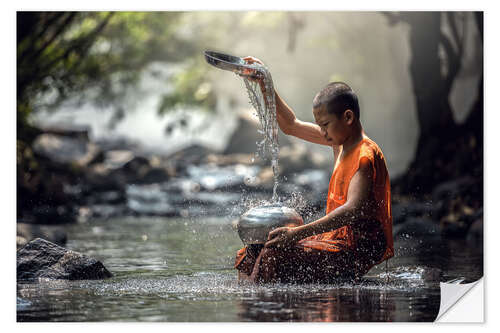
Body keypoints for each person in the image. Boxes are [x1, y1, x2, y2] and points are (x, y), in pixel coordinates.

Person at [234, 56, 394, 284]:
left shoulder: (365, 154)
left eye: (325, 125)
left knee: (271, 255)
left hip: (356, 250)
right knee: (250, 252)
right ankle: (254, 307)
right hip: (333, 240)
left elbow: (353, 210)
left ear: (348, 117)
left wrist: (296, 234)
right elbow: (290, 125)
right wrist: (265, 83)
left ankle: (266, 309)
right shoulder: (338, 140)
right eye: (320, 126)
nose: (323, 133)